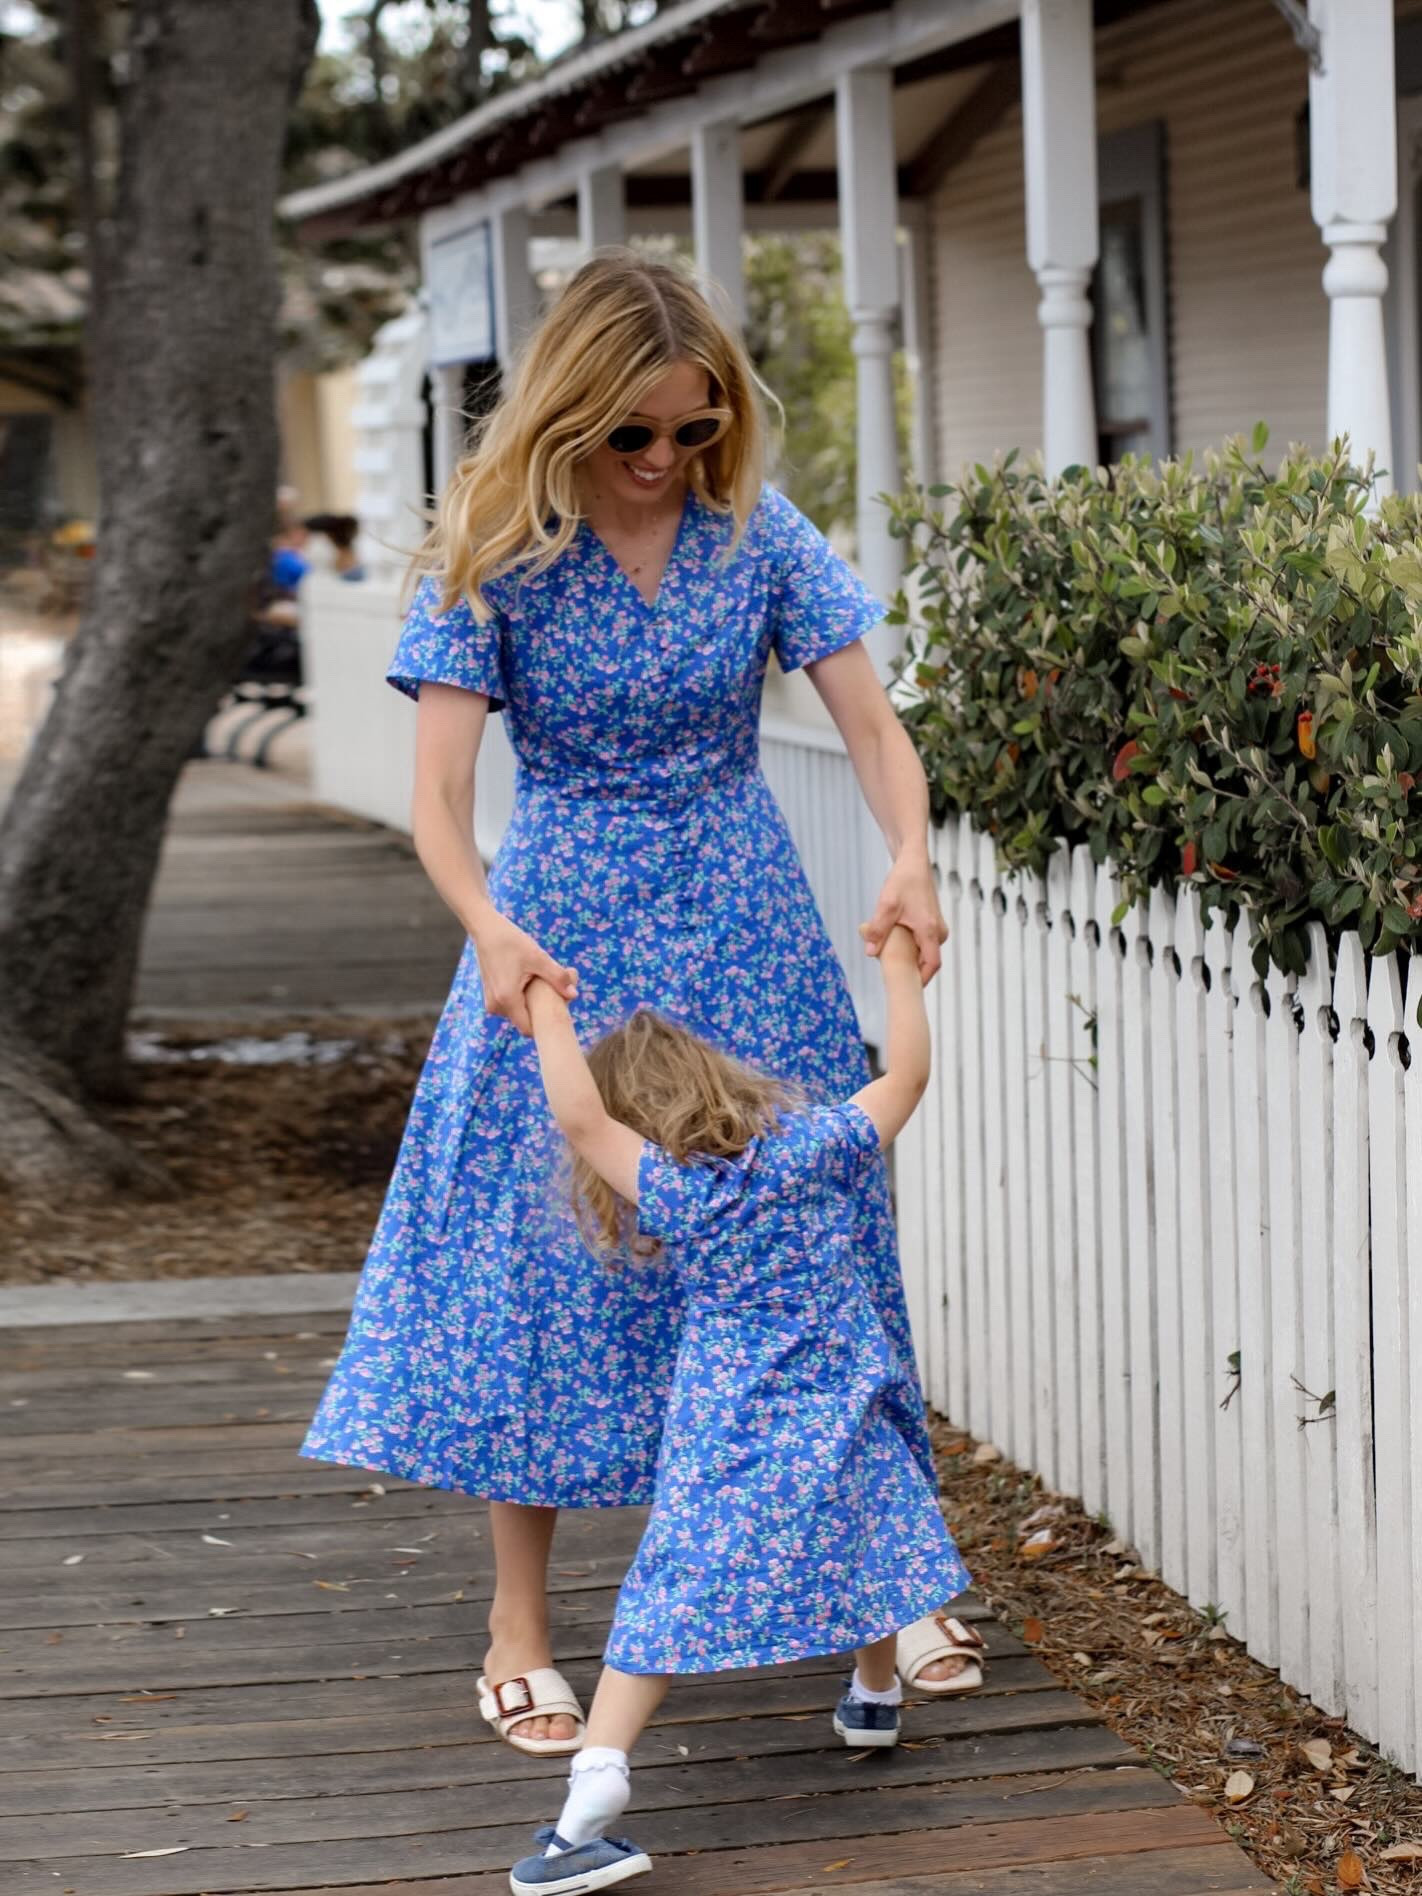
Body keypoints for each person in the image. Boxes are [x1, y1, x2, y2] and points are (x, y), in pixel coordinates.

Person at [300, 249, 978, 1755]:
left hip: (744, 918)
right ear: (569, 419)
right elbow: (437, 798)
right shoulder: (500, 551)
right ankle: (519, 1626)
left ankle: (886, 1577)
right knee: (546, 1263)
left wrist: (913, 858)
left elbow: (870, 727)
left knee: (814, 1232)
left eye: (694, 427)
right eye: (634, 434)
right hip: (567, 934)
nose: (666, 459)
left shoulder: (756, 530)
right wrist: (488, 930)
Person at [506, 923, 973, 1894]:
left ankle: (591, 1794)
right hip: (845, 1402)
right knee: (874, 1531)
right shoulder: (821, 1147)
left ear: (645, 1113)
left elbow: (580, 1121)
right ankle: (874, 1691)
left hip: (732, 1428)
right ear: (718, 1075)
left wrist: (543, 1001)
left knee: (671, 1591)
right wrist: (896, 966)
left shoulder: (675, 1189)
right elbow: (910, 1077)